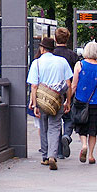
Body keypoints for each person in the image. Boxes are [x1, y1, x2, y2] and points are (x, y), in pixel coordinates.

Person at [27, 37, 73, 170]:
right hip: (57, 100)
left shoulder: (36, 63)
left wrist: (34, 104)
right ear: (52, 49)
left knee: (43, 127)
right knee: (55, 127)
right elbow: (68, 84)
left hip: (42, 101)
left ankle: (45, 157)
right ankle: (53, 155)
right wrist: (68, 101)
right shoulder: (62, 61)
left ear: (42, 48)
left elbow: (34, 86)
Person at [71, 41, 97, 164]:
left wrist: (68, 98)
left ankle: (84, 145)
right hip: (96, 102)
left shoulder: (79, 64)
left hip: (81, 99)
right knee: (93, 129)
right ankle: (91, 155)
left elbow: (74, 84)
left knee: (81, 125)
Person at [53, 27, 79, 159]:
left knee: (55, 121)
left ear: (55, 38)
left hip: (53, 92)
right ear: (67, 39)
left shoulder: (51, 54)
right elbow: (75, 77)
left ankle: (58, 152)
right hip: (69, 91)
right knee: (69, 119)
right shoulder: (72, 55)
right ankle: (67, 136)